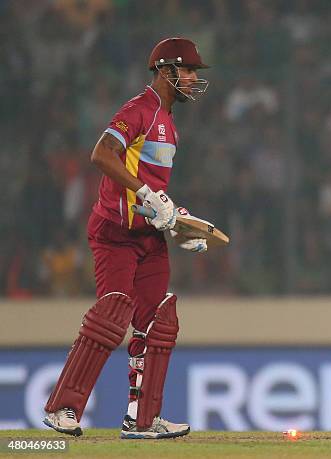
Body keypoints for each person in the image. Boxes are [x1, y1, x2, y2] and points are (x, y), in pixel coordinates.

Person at [43, 37, 210, 439]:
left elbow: (152, 191)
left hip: (149, 239)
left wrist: (178, 223)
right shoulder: (140, 110)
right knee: (112, 314)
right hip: (115, 234)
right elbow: (102, 155)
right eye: (186, 70)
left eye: (193, 72)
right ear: (165, 70)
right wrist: (147, 194)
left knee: (157, 324)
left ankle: (143, 419)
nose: (191, 78)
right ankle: (62, 408)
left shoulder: (170, 124)